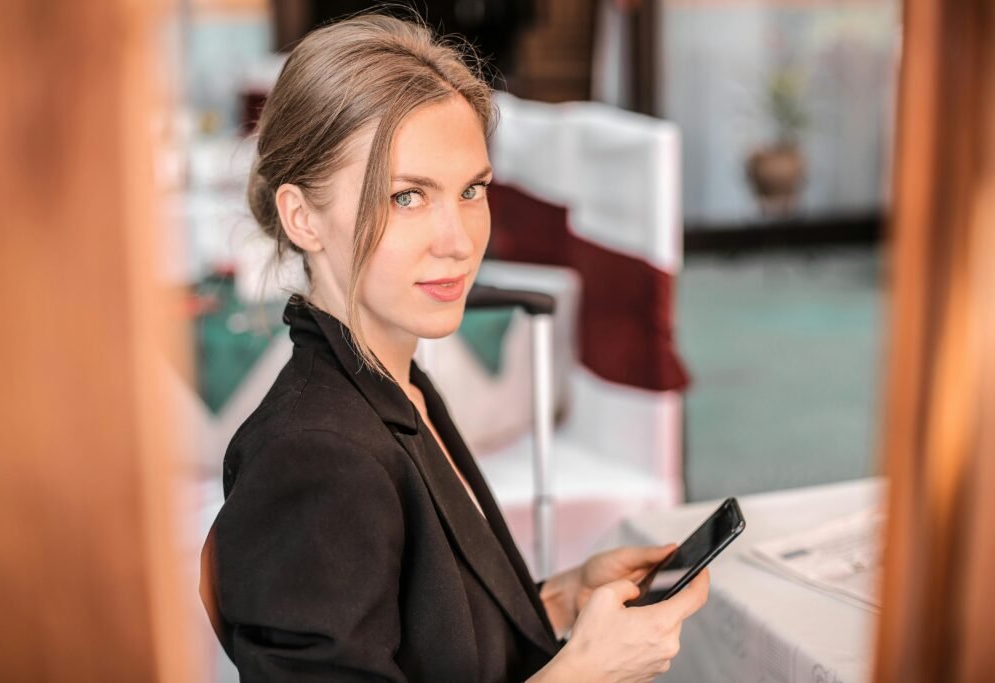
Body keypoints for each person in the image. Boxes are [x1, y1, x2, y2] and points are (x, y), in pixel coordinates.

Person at [200, 12, 708, 682]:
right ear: (302, 216)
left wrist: (560, 599)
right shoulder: (316, 456)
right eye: (407, 197)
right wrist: (586, 671)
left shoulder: (395, 383)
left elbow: (428, 630)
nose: (460, 240)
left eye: (472, 189)